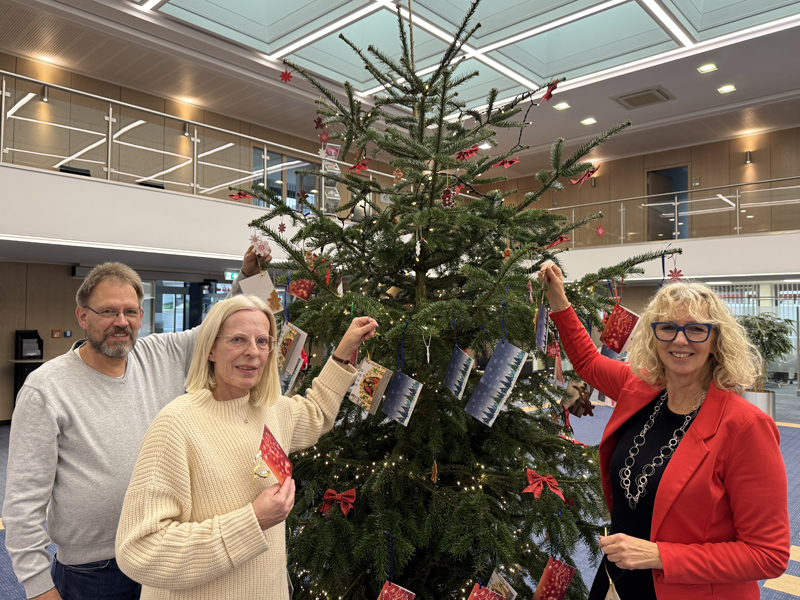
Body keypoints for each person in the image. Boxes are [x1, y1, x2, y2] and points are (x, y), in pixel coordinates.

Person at [4, 246, 266, 600]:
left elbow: (218, 330)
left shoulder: (159, 354)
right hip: (95, 572)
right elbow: (22, 504)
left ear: (142, 316)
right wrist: (39, 589)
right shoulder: (46, 388)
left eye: (130, 311)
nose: (121, 322)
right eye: (108, 311)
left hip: (164, 553)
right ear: (82, 316)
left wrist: (249, 279)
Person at [540, 264, 789, 600]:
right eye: (667, 328)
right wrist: (558, 300)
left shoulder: (745, 427)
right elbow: (586, 362)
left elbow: (768, 555)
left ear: (716, 340)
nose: (680, 340)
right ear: (654, 336)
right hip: (618, 580)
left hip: (689, 591)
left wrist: (659, 555)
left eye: (696, 329)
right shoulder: (639, 388)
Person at [115, 295, 378, 599]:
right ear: (211, 348)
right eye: (238, 340)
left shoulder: (271, 409)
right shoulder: (176, 424)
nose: (253, 352)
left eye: (262, 341)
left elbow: (316, 414)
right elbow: (140, 550)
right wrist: (251, 522)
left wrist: (342, 355)